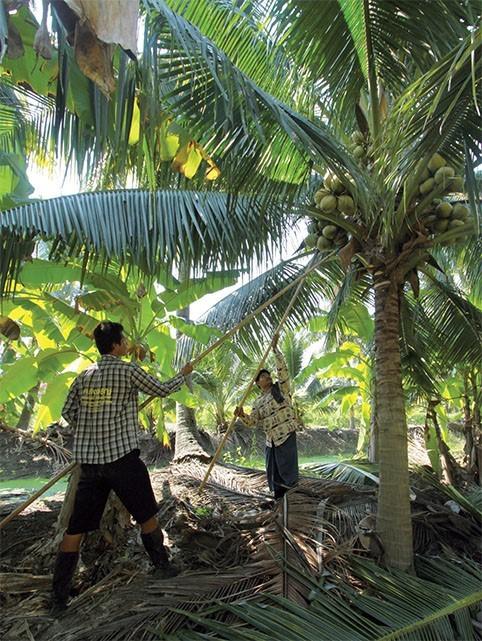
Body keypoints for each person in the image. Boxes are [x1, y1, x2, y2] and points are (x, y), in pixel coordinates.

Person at [51, 321, 193, 614]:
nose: (128, 341)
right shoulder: (127, 371)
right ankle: (162, 566)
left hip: (90, 465)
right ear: (116, 345)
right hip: (122, 461)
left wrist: (91, 424)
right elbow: (162, 389)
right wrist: (183, 374)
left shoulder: (84, 376)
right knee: (146, 514)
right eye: (124, 338)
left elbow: (67, 412)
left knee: (75, 529)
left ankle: (58, 598)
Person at [234, 333, 299, 500]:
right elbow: (253, 421)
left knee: (288, 471)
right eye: (262, 376)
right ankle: (279, 500)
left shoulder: (281, 389)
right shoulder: (258, 402)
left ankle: (292, 499)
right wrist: (242, 415)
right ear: (257, 383)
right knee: (274, 472)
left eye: (268, 374)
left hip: (285, 435)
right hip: (271, 441)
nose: (267, 377)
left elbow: (282, 371)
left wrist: (275, 349)